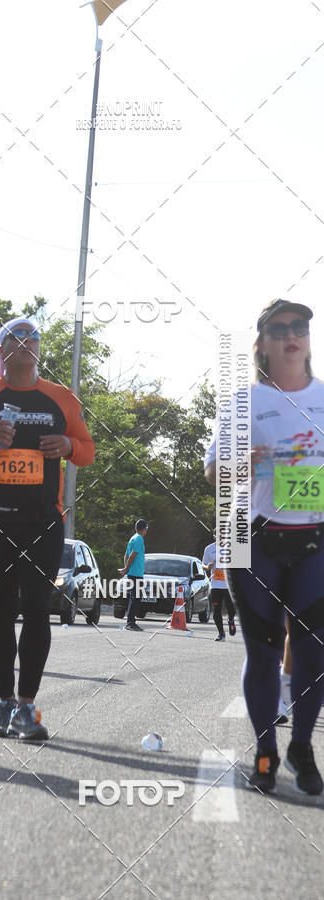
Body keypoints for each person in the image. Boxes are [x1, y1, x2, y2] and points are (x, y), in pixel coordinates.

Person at [0, 316, 95, 741]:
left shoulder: (61, 398)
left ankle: (28, 707)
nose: (25, 342)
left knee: (38, 612)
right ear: (1, 348)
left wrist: (68, 446)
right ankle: (4, 703)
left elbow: (87, 452)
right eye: (16, 336)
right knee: (1, 614)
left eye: (33, 336)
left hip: (45, 523)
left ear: (40, 349)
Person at [204, 298, 324, 795]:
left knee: (315, 651)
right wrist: (241, 464)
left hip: (315, 538)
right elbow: (213, 475)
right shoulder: (242, 403)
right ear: (263, 345)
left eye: (299, 326)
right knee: (263, 651)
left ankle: (300, 745)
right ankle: (265, 751)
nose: (291, 334)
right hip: (252, 539)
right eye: (279, 329)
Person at [202, 529, 236, 641]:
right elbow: (203, 564)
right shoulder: (209, 549)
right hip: (216, 584)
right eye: (219, 535)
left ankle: (231, 620)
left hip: (229, 584)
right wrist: (207, 567)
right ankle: (221, 634)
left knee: (231, 608)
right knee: (217, 608)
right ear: (214, 536)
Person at [118, 519, 148, 631]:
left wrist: (126, 568)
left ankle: (131, 622)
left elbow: (126, 555)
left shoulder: (133, 538)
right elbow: (132, 554)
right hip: (136, 573)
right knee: (136, 598)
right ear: (144, 529)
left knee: (134, 597)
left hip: (133, 572)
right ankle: (130, 622)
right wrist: (126, 568)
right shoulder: (139, 538)